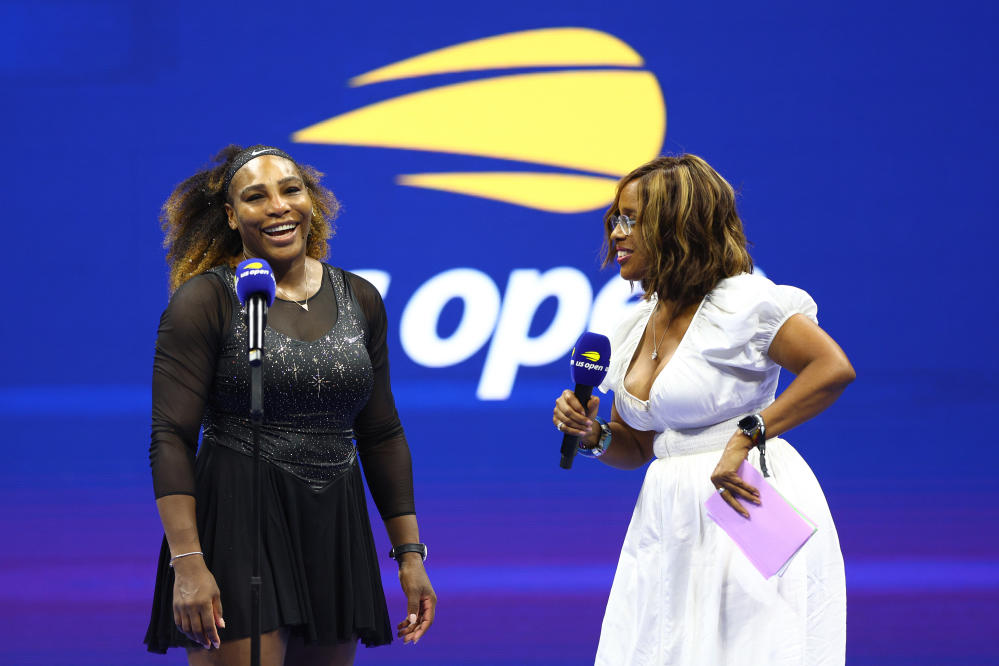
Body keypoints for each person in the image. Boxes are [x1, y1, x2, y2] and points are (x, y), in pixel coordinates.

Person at [553, 154, 852, 665]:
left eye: (631, 219)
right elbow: (643, 446)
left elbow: (831, 368)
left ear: (677, 226)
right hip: (667, 514)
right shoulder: (631, 328)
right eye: (613, 220)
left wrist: (749, 434)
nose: (616, 234)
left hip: (744, 497)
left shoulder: (745, 304)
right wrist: (594, 434)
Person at [144, 144, 436, 665]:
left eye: (291, 189)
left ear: (311, 201)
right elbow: (171, 437)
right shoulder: (205, 301)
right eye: (256, 197)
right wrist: (187, 562)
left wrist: (409, 554)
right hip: (237, 518)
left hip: (333, 520)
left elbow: (382, 433)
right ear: (232, 217)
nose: (278, 206)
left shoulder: (360, 297)